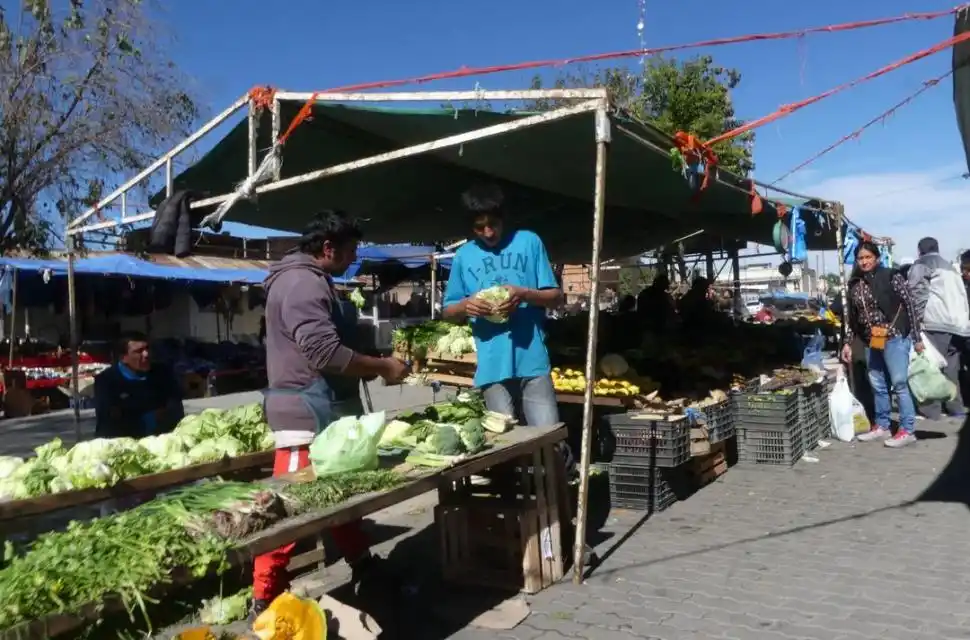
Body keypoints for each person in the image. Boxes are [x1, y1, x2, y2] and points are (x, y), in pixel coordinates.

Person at [252, 210, 409, 615]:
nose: (353, 258)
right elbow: (323, 353)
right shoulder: (303, 283)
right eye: (351, 251)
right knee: (288, 510)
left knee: (335, 496)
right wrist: (383, 367)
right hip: (303, 416)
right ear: (328, 248)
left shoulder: (305, 279)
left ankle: (363, 566)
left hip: (323, 410)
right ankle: (263, 598)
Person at [442, 183, 563, 429]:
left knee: (550, 438)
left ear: (502, 218)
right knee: (505, 446)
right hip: (491, 367)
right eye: (479, 227)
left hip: (533, 361)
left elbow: (555, 296)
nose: (488, 232)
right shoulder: (463, 256)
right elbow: (447, 311)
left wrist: (524, 294)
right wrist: (466, 306)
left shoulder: (529, 242)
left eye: (492, 224)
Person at [840, 241, 924, 448]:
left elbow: (909, 304)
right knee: (877, 384)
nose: (865, 261)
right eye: (861, 258)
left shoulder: (891, 276)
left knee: (899, 383)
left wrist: (917, 336)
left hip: (894, 337)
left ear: (876, 258)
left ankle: (907, 429)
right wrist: (847, 343)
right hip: (872, 340)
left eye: (868, 257)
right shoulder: (855, 284)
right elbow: (852, 317)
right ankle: (883, 425)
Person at [907, 237, 970, 419]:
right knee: (952, 369)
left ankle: (931, 411)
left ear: (920, 250)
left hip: (935, 322)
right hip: (959, 325)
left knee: (930, 367)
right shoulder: (951, 267)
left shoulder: (922, 264)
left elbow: (916, 294)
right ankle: (955, 408)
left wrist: (915, 321)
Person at [94, 331, 184, 438]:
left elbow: (175, 409)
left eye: (147, 349)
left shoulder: (163, 373)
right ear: (123, 357)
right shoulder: (107, 380)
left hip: (161, 440)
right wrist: (149, 418)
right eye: (138, 351)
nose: (146, 354)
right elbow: (110, 419)